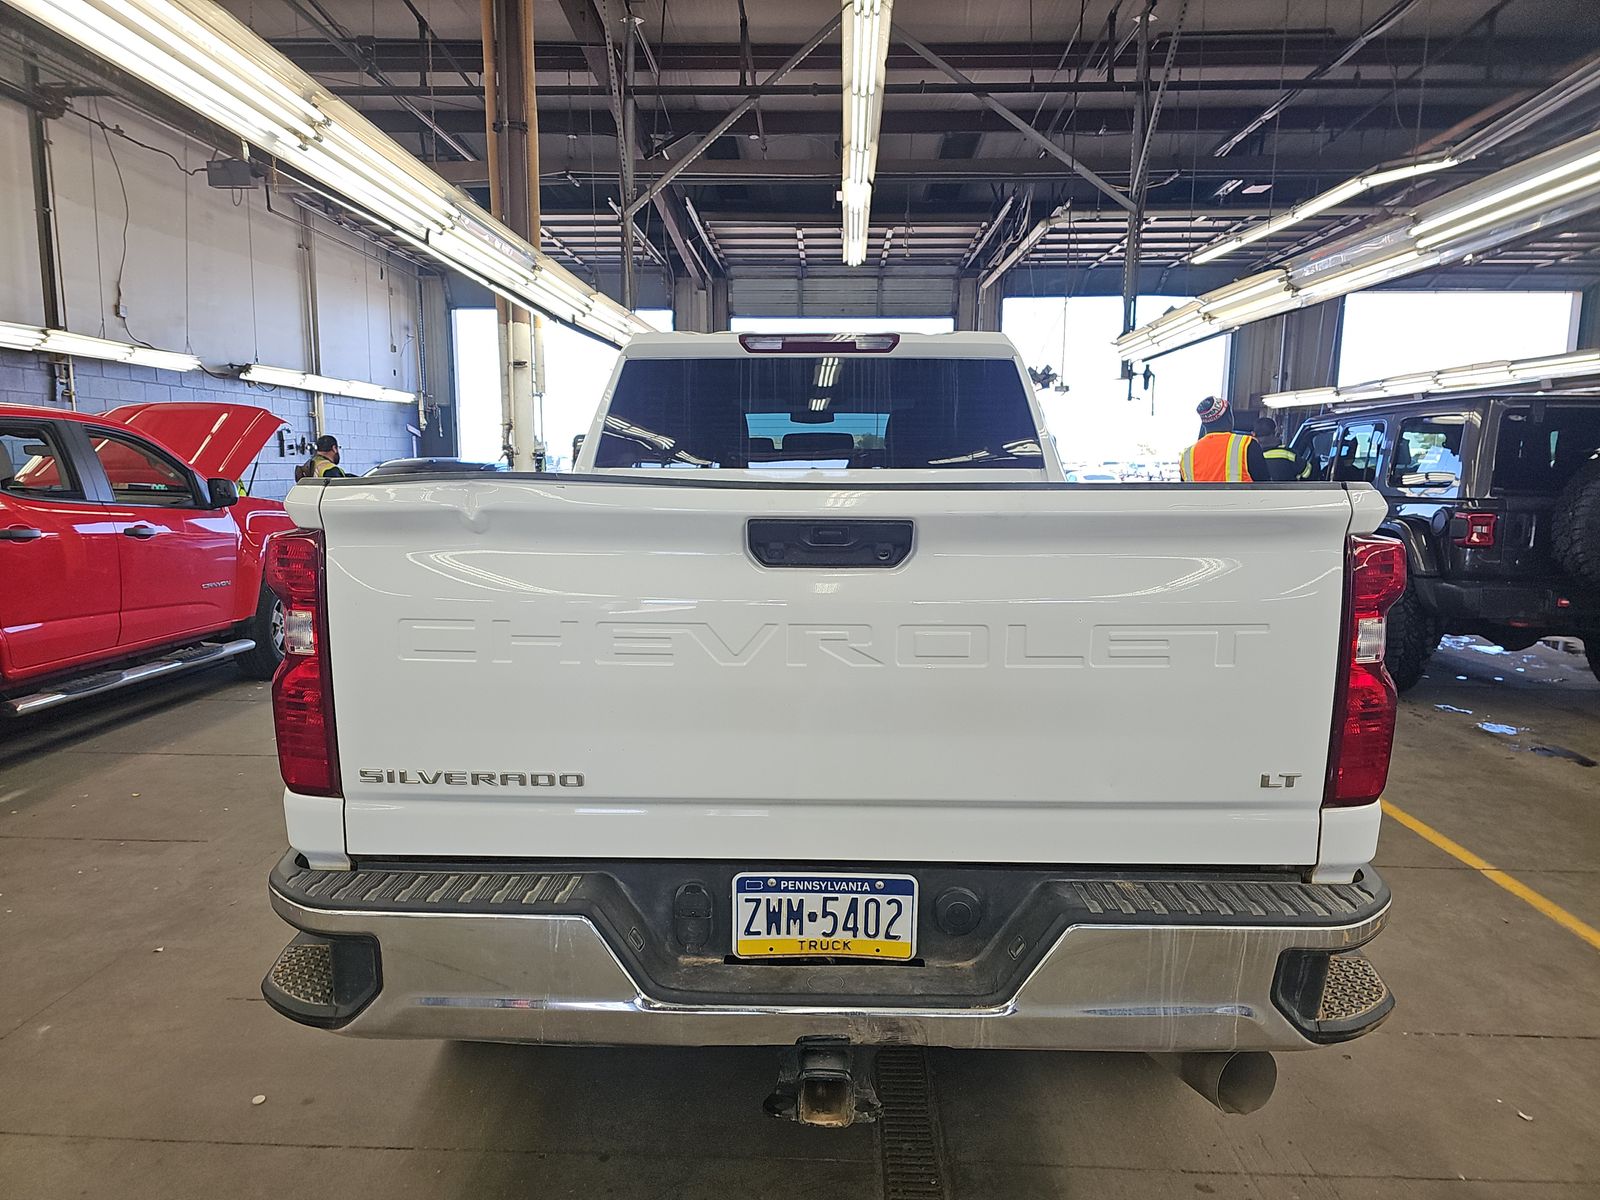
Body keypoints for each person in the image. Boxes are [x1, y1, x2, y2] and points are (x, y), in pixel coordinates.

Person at [1179, 396, 1268, 482]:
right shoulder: (1246, 445)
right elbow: (1265, 486)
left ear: (1204, 424)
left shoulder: (1187, 456)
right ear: (1230, 418)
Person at [1253, 416, 1310, 480]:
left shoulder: (1250, 456)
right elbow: (1307, 473)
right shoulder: (1288, 455)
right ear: (1275, 432)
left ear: (1253, 434)